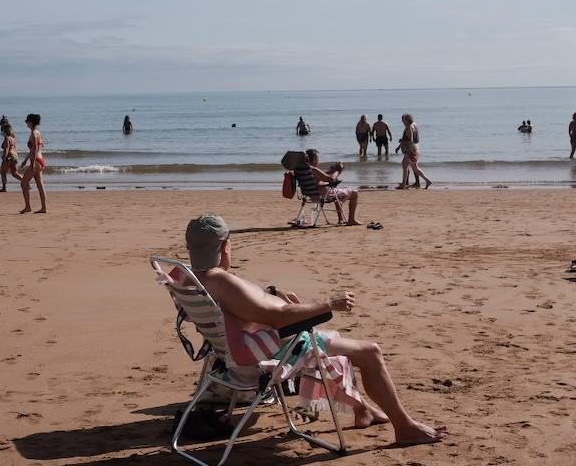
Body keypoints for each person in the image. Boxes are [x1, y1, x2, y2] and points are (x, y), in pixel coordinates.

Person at [183, 214, 447, 446]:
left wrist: (271, 292)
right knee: (369, 352)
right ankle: (405, 427)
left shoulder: (187, 277)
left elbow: (242, 307)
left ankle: (363, 408)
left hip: (230, 355)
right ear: (226, 245)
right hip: (263, 360)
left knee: (332, 343)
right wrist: (328, 304)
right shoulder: (223, 281)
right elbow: (278, 317)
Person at [301, 148, 361, 225]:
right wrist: (338, 170)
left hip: (311, 195)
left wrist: (331, 170)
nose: (318, 161)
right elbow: (332, 179)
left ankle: (341, 219)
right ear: (314, 160)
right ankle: (351, 219)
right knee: (354, 193)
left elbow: (320, 177)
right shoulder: (313, 170)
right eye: (317, 159)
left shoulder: (304, 170)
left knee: (338, 194)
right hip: (325, 195)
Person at [20, 113, 47, 214]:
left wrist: (31, 164)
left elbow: (35, 149)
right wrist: (26, 160)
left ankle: (28, 207)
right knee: (40, 185)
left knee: (23, 183)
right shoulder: (38, 132)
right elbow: (34, 149)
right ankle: (44, 208)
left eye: (27, 121)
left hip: (35, 161)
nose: (26, 122)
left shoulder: (33, 134)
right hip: (40, 160)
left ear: (30, 122)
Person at [396, 113, 431, 189]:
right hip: (414, 149)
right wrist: (400, 146)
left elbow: (410, 141)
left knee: (405, 166)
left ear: (407, 120)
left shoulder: (409, 128)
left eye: (404, 120)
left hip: (410, 149)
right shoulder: (413, 125)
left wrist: (402, 141)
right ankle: (427, 181)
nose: (402, 122)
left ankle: (404, 184)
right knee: (414, 168)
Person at [0, 121, 22, 191]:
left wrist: (4, 157)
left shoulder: (7, 138)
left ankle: (4, 188)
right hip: (15, 156)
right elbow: (3, 146)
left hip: (9, 156)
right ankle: (26, 182)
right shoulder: (13, 138)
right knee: (14, 173)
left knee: (3, 172)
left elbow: (6, 148)